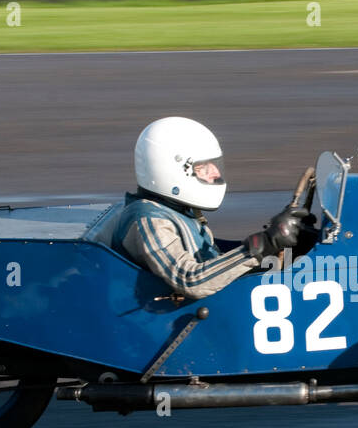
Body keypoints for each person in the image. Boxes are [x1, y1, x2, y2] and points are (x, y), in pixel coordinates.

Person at [111, 117, 306, 299]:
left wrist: (289, 247)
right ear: (169, 170)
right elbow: (188, 279)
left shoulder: (178, 211)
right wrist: (263, 244)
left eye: (214, 165)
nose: (214, 173)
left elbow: (213, 261)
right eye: (203, 168)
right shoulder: (149, 220)